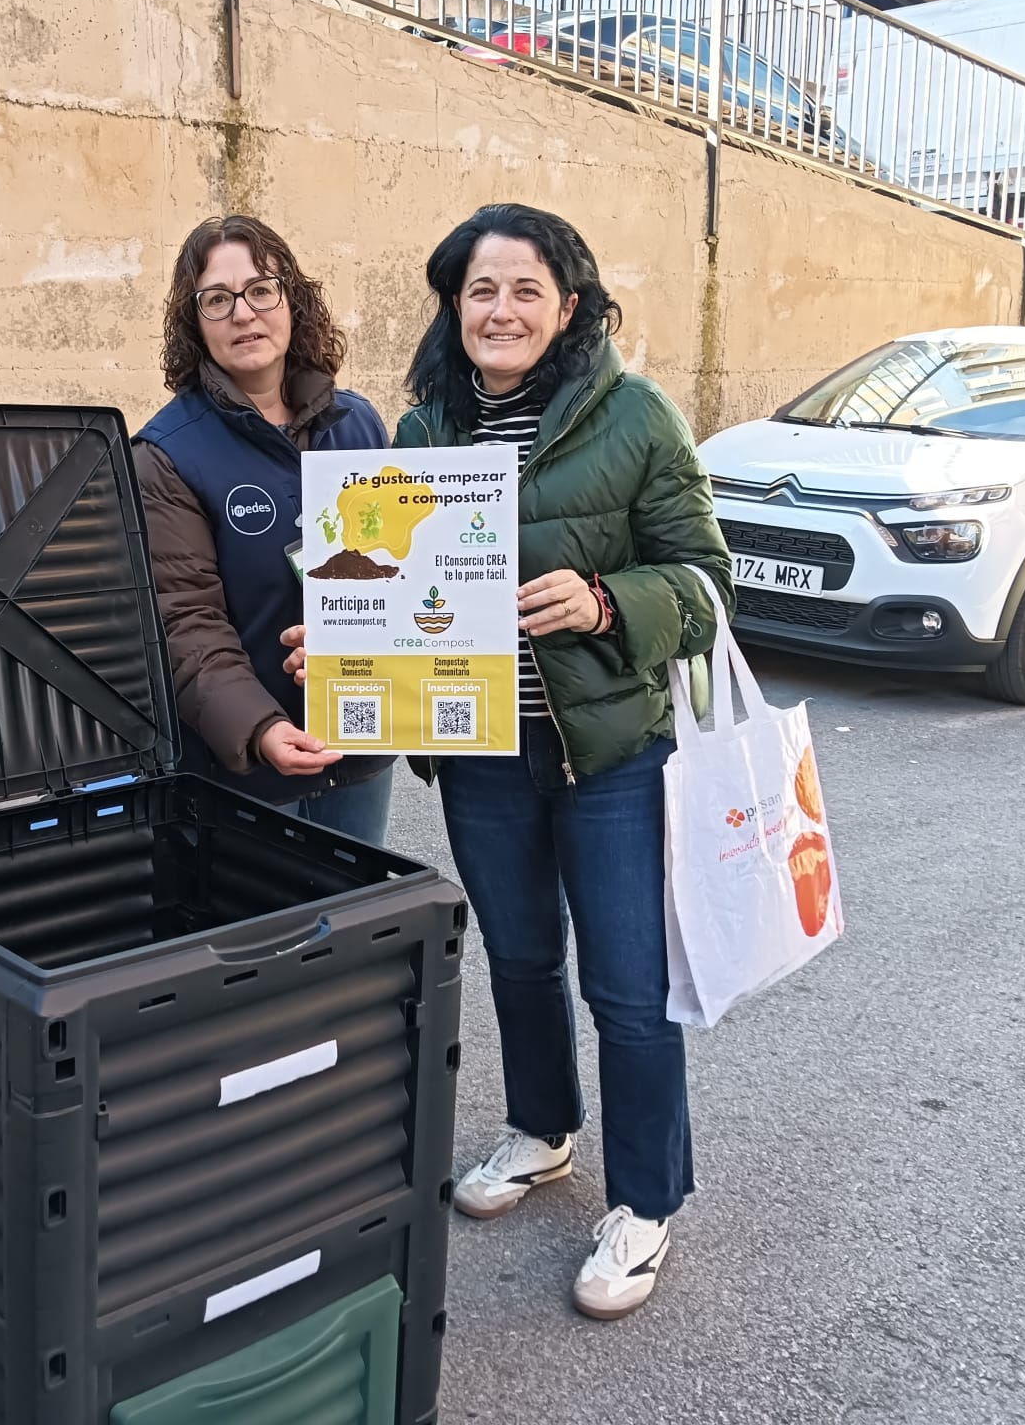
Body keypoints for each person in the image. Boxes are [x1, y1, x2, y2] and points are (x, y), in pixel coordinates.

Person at [285, 203, 734, 1319]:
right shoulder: (424, 430)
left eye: (525, 290)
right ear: (455, 306)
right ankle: (542, 1129)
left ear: (568, 306)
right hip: (482, 751)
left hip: (609, 756)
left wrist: (602, 600)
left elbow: (707, 584)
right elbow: (384, 580)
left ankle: (645, 1201)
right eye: (480, 290)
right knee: (521, 961)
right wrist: (339, 634)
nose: (501, 310)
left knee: (627, 988)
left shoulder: (637, 418)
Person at [133, 215, 396, 844]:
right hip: (249, 767)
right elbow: (185, 621)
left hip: (358, 746)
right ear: (194, 323)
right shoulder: (166, 455)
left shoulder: (357, 424)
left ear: (292, 300)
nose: (243, 314)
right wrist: (259, 729)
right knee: (270, 934)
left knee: (362, 931)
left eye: (260, 290)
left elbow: (402, 579)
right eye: (217, 300)